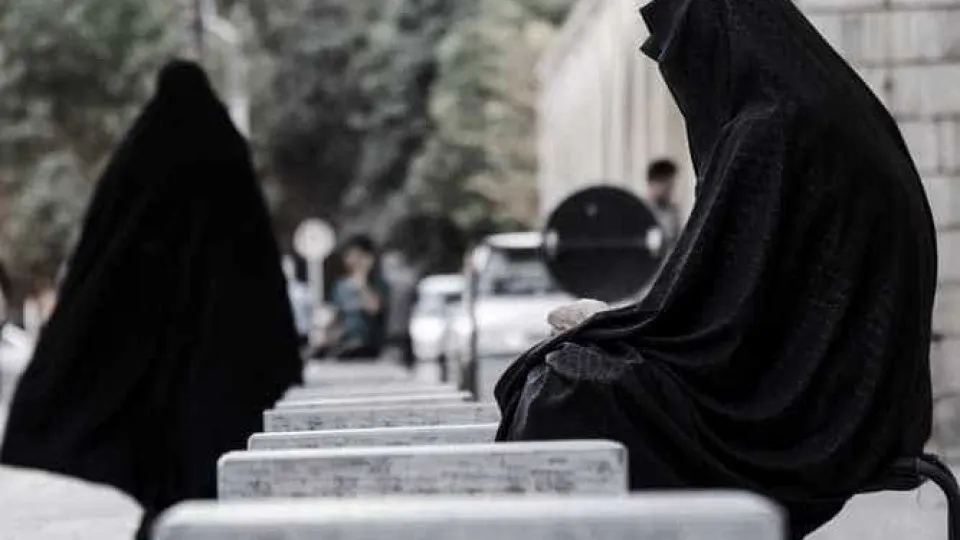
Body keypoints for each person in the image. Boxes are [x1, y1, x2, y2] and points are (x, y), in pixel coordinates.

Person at [494, 1, 936, 538]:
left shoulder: (768, 131)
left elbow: (709, 317)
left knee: (562, 391)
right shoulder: (819, 108)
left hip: (808, 416)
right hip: (854, 399)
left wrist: (602, 324)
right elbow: (730, 301)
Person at [0, 60, 303, 539]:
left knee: (167, 448)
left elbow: (104, 260)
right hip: (224, 346)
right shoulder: (226, 157)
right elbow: (256, 263)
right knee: (213, 441)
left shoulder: (142, 160)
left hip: (154, 346)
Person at [324, 235, 389, 360]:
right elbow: (335, 316)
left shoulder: (377, 283)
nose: (353, 261)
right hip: (344, 342)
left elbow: (374, 309)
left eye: (359, 256)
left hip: (368, 345)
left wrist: (361, 284)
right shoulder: (340, 285)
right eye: (349, 256)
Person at [646, 158, 682, 252]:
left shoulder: (673, 213)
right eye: (664, 183)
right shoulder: (641, 211)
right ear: (652, 183)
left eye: (671, 185)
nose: (669, 189)